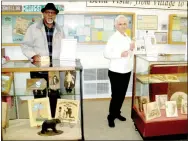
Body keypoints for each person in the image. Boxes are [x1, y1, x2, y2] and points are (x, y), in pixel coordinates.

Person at [21, 3, 64, 118]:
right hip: (37, 69)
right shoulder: (33, 28)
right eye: (48, 12)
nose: (50, 15)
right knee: (38, 95)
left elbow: (64, 47)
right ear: (43, 13)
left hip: (54, 70)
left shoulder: (60, 30)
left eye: (53, 13)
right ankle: (39, 118)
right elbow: (25, 46)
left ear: (55, 15)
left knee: (54, 95)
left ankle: (53, 118)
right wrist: (33, 55)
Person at [104, 15, 135, 128]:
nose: (123, 26)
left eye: (125, 24)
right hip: (116, 71)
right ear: (116, 25)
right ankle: (111, 116)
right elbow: (106, 54)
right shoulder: (113, 38)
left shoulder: (127, 37)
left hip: (127, 70)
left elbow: (129, 55)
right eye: (120, 24)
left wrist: (131, 49)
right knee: (116, 95)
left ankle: (117, 113)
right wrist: (119, 54)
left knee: (122, 95)